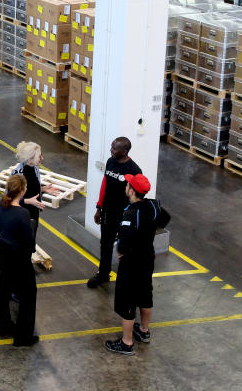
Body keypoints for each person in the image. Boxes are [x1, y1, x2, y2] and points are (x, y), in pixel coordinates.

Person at [104, 173, 170, 356]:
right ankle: (144, 330)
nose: (126, 186)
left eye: (128, 185)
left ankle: (126, 343)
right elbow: (164, 220)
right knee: (145, 293)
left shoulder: (131, 213)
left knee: (128, 301)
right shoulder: (152, 205)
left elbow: (123, 242)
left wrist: (121, 252)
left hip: (131, 261)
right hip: (147, 257)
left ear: (132, 191)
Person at [0, 174, 38, 347]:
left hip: (3, 251)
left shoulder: (0, 205)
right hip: (19, 257)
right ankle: (23, 337)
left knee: (3, 288)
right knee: (28, 294)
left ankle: (4, 326)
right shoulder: (23, 214)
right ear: (23, 190)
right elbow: (28, 242)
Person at [88, 137, 142, 288]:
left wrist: (131, 217)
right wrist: (99, 207)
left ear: (124, 151)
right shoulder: (111, 162)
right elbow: (105, 184)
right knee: (105, 243)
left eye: (114, 148)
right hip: (108, 211)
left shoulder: (134, 170)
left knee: (125, 248)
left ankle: (128, 279)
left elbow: (137, 197)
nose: (110, 150)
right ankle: (103, 274)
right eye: (111, 147)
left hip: (124, 215)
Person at [13, 141, 46, 240]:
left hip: (33, 212)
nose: (42, 158)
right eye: (39, 156)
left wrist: (43, 189)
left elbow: (31, 188)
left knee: (30, 241)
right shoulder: (18, 176)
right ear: (30, 159)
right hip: (21, 215)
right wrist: (28, 201)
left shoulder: (34, 168)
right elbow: (9, 200)